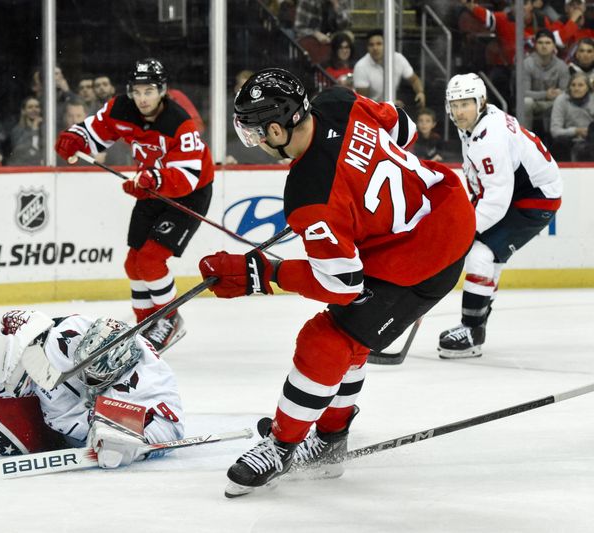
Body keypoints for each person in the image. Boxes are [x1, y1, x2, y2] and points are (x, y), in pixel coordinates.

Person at [201, 68, 475, 497]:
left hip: (423, 258)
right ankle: (330, 440)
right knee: (352, 334)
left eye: (255, 132)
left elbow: (342, 284)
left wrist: (262, 274)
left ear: (276, 128)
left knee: (325, 340)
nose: (254, 140)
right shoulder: (338, 101)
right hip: (443, 204)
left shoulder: (309, 194)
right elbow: (402, 127)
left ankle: (282, 445)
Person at [54, 58, 214, 354]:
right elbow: (96, 130)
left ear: (162, 91)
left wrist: (151, 179)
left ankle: (169, 319)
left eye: (149, 91)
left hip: (188, 194)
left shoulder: (181, 124)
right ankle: (144, 325)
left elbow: (187, 178)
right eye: (137, 91)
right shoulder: (120, 108)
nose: (142, 98)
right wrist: (74, 138)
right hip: (150, 187)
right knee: (133, 264)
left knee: (151, 260)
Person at [0, 310, 184, 468]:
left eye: (96, 378)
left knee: (108, 432)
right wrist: (17, 335)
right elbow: (18, 324)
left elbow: (172, 429)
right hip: (47, 395)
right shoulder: (71, 333)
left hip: (83, 424)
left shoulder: (151, 379)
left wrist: (132, 445)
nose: (87, 378)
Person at [439, 73, 562, 358]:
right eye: (454, 104)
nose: (458, 111)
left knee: (481, 253)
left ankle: (472, 330)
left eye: (465, 104)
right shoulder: (479, 121)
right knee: (486, 256)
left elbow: (497, 199)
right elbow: (485, 182)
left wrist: (465, 231)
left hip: (535, 198)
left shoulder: (488, 138)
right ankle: (477, 321)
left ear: (480, 101)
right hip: (518, 191)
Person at [352, 29, 426, 108]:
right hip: (372, 112)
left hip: (391, 107)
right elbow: (363, 102)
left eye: (379, 44)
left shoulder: (398, 58)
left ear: (386, 45)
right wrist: (389, 104)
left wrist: (420, 92)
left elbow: (414, 80)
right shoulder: (361, 66)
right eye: (371, 45)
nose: (375, 48)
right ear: (367, 47)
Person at [523, 29, 570, 133]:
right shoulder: (527, 63)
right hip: (534, 103)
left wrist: (559, 93)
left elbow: (567, 92)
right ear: (535, 45)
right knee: (526, 102)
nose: (544, 46)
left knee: (563, 101)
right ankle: (525, 137)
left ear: (554, 46)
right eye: (540, 43)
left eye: (548, 43)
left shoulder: (561, 66)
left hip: (553, 102)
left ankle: (556, 140)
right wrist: (546, 94)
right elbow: (523, 93)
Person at [550, 71, 594, 161]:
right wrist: (576, 131)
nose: (576, 88)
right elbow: (555, 130)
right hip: (568, 139)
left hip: (590, 140)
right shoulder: (561, 100)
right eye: (573, 85)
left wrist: (588, 132)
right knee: (559, 142)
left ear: (588, 88)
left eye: (580, 85)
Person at [7, 97, 44, 166]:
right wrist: (34, 129)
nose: (34, 110)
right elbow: (24, 150)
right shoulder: (17, 130)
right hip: (21, 168)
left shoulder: (46, 130)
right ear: (23, 111)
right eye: (30, 107)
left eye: (37, 107)